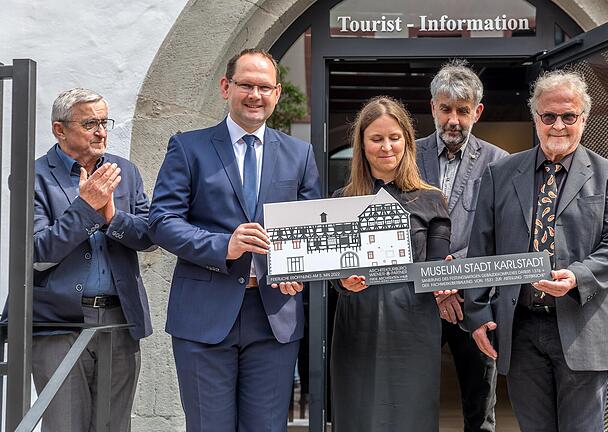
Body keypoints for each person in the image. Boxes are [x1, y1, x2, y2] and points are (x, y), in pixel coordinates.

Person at [148, 49, 321, 431]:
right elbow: (161, 221)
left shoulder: (300, 154)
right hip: (203, 317)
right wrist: (223, 245)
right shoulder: (188, 147)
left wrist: (301, 270)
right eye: (246, 85)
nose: (255, 95)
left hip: (274, 317)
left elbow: (310, 230)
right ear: (227, 87)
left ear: (276, 93)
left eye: (264, 87)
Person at [464, 71, 608, 432]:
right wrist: (477, 314)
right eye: (549, 116)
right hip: (521, 328)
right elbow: (481, 248)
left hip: (581, 324)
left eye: (569, 116)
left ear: (583, 119)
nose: (559, 125)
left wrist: (578, 276)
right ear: (535, 118)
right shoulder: (501, 173)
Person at [22, 88, 154, 431]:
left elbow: (150, 236)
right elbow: (37, 251)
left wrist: (112, 216)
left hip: (119, 319)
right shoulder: (33, 177)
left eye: (104, 121)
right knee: (65, 425)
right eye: (90, 123)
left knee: (114, 426)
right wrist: (85, 208)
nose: (101, 131)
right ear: (59, 129)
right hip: (59, 321)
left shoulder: (124, 171)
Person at [330, 96, 451, 432]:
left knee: (410, 414)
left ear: (407, 142)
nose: (386, 147)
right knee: (357, 413)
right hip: (357, 322)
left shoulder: (431, 199)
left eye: (394, 137)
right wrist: (342, 282)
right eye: (376, 138)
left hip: (413, 323)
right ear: (362, 145)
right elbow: (331, 271)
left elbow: (437, 266)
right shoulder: (341, 201)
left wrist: (447, 275)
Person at [416, 59, 506, 432]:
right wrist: (436, 282)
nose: (454, 120)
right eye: (446, 109)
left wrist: (454, 275)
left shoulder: (499, 162)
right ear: (433, 107)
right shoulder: (408, 156)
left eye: (463, 111)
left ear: (477, 112)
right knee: (413, 398)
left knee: (479, 405)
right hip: (418, 301)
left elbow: (503, 233)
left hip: (475, 301)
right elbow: (399, 226)